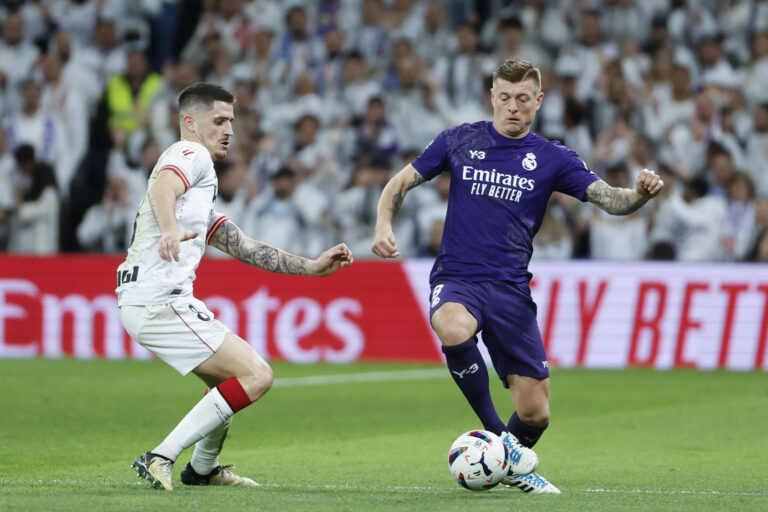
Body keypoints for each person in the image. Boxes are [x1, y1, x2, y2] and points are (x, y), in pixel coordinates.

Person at [371, 58, 663, 494]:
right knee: (452, 326)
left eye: (522, 99)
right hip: (459, 276)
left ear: (538, 101)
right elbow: (399, 183)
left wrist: (638, 195)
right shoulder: (459, 139)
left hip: (510, 289)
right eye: (504, 98)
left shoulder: (553, 157)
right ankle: (502, 448)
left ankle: (507, 462)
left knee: (535, 413)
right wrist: (383, 226)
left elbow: (610, 200)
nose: (512, 107)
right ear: (492, 97)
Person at [117, 82, 353, 491]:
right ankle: (160, 456)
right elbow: (161, 188)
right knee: (257, 375)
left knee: (226, 385)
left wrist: (312, 267)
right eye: (220, 120)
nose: (229, 129)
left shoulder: (198, 192)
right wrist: (170, 229)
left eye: (232, 121)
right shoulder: (189, 154)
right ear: (190, 123)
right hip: (159, 300)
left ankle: (203, 468)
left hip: (151, 300)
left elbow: (245, 247)